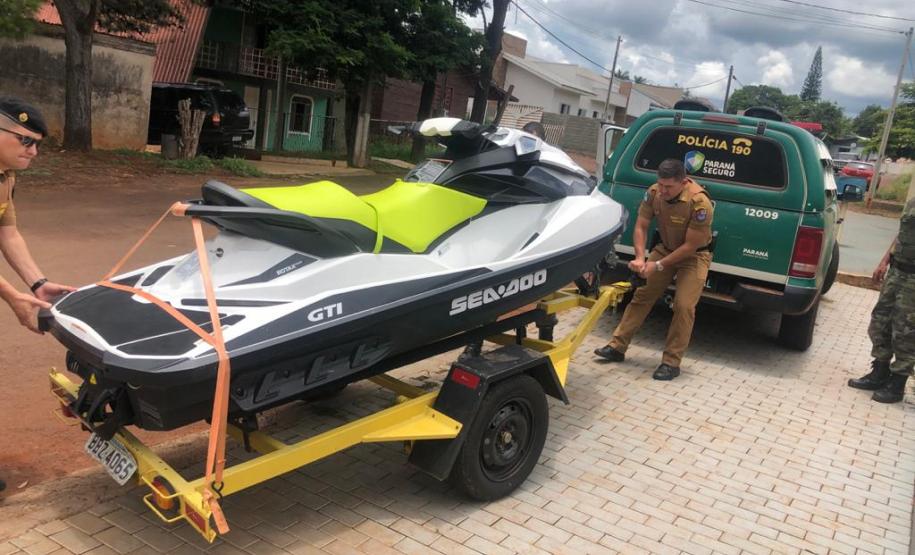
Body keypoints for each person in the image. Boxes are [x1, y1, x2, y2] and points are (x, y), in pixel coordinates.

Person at [0, 98, 76, 493]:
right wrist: (12, 296)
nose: (33, 151)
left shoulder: (5, 177)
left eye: (37, 144)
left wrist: (35, 284)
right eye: (25, 140)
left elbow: (6, 232)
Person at [594, 158, 714, 380]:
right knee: (642, 295)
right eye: (661, 184)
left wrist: (657, 265)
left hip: (694, 256)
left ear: (683, 182)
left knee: (684, 306)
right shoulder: (653, 193)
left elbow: (690, 246)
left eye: (669, 187)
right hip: (665, 248)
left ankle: (671, 362)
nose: (663, 190)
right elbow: (641, 225)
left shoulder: (699, 203)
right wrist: (640, 258)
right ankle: (617, 347)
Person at [847, 195, 915, 403]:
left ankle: (897, 385)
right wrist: (885, 260)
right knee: (881, 321)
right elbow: (902, 234)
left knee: (906, 330)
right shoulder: (912, 201)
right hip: (896, 271)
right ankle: (879, 372)